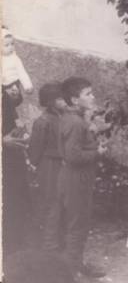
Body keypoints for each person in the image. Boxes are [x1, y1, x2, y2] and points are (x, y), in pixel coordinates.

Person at [57, 77, 106, 278]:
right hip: (76, 181)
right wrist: (97, 152)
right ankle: (69, 274)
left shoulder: (73, 118)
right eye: (88, 93)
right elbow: (73, 155)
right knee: (77, 227)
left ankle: (76, 264)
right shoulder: (75, 122)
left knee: (77, 225)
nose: (93, 97)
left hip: (77, 179)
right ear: (75, 100)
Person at [29, 83, 65, 248]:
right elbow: (35, 149)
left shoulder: (63, 118)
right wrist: (35, 163)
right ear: (51, 101)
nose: (64, 101)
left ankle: (55, 238)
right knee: (52, 201)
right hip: (49, 166)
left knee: (60, 201)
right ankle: (48, 242)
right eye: (60, 98)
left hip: (62, 165)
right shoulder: (42, 122)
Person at [2, 79, 31, 258]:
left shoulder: (10, 109)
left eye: (16, 85)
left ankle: (15, 248)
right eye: (7, 87)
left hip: (14, 163)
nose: (14, 90)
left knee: (17, 201)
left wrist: (23, 135)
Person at [3, 27, 33, 93]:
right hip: (2, 84)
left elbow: (21, 72)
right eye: (6, 45)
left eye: (12, 44)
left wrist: (27, 85)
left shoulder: (15, 58)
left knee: (14, 96)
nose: (10, 47)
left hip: (13, 83)